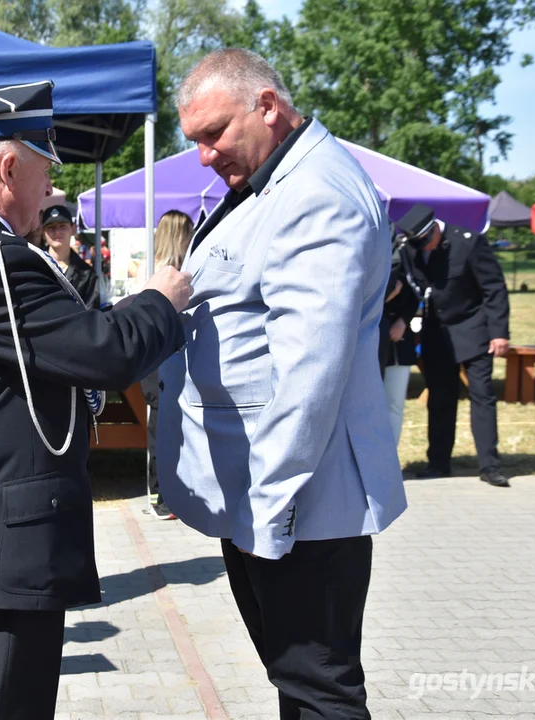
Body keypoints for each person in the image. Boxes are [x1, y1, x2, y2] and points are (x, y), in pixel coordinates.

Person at [0, 80, 191, 720]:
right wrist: (161, 301)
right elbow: (104, 350)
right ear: (8, 167)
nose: (49, 190)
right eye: (43, 170)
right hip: (2, 540)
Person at [157, 49, 408, 719]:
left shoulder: (315, 194)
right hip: (272, 495)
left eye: (213, 135)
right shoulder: (274, 181)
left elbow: (307, 377)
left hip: (299, 501)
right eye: (194, 142)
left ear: (267, 107)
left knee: (317, 691)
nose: (204, 157)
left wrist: (266, 511)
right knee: (297, 683)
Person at [395, 203, 511, 487]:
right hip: (438, 333)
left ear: (435, 228)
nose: (425, 249)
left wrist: (499, 333)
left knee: (482, 396)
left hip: (474, 330)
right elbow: (414, 287)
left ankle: (489, 466)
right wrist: (403, 318)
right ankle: (438, 463)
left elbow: (493, 289)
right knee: (440, 399)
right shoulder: (412, 248)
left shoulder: (469, 243)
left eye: (427, 243)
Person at [139, 210, 194, 518]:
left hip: (152, 357)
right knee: (163, 429)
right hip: (163, 357)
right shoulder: (171, 273)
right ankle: (162, 497)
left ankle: (162, 494)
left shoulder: (151, 266)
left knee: (159, 427)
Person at [379, 243, 420, 446]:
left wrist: (403, 321)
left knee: (394, 403)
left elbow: (414, 294)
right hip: (371, 339)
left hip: (398, 342)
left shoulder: (404, 258)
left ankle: (391, 455)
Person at [41, 204, 100, 309]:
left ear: (73, 229)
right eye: (51, 227)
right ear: (43, 232)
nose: (57, 232)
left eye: (62, 226)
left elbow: (91, 313)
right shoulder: (34, 266)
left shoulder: (87, 274)